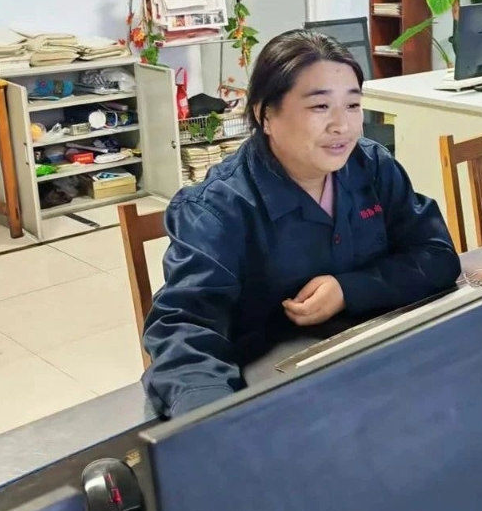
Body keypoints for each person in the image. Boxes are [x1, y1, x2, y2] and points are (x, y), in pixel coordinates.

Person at [142, 29, 462, 418]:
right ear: (265, 115)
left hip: (368, 369)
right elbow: (186, 328)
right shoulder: (217, 208)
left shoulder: (371, 167)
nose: (342, 126)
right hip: (269, 394)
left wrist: (349, 289)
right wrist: (213, 422)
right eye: (320, 107)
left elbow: (436, 255)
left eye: (353, 105)